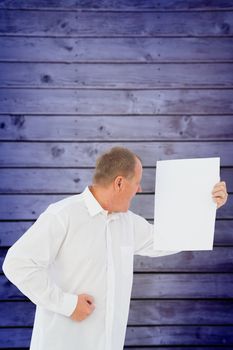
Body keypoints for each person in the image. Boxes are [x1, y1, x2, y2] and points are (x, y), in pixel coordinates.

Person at [2, 147, 228, 350]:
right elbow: (16, 264)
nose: (139, 189)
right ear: (119, 183)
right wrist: (68, 305)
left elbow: (167, 239)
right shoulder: (63, 215)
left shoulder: (127, 222)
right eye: (136, 182)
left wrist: (207, 206)